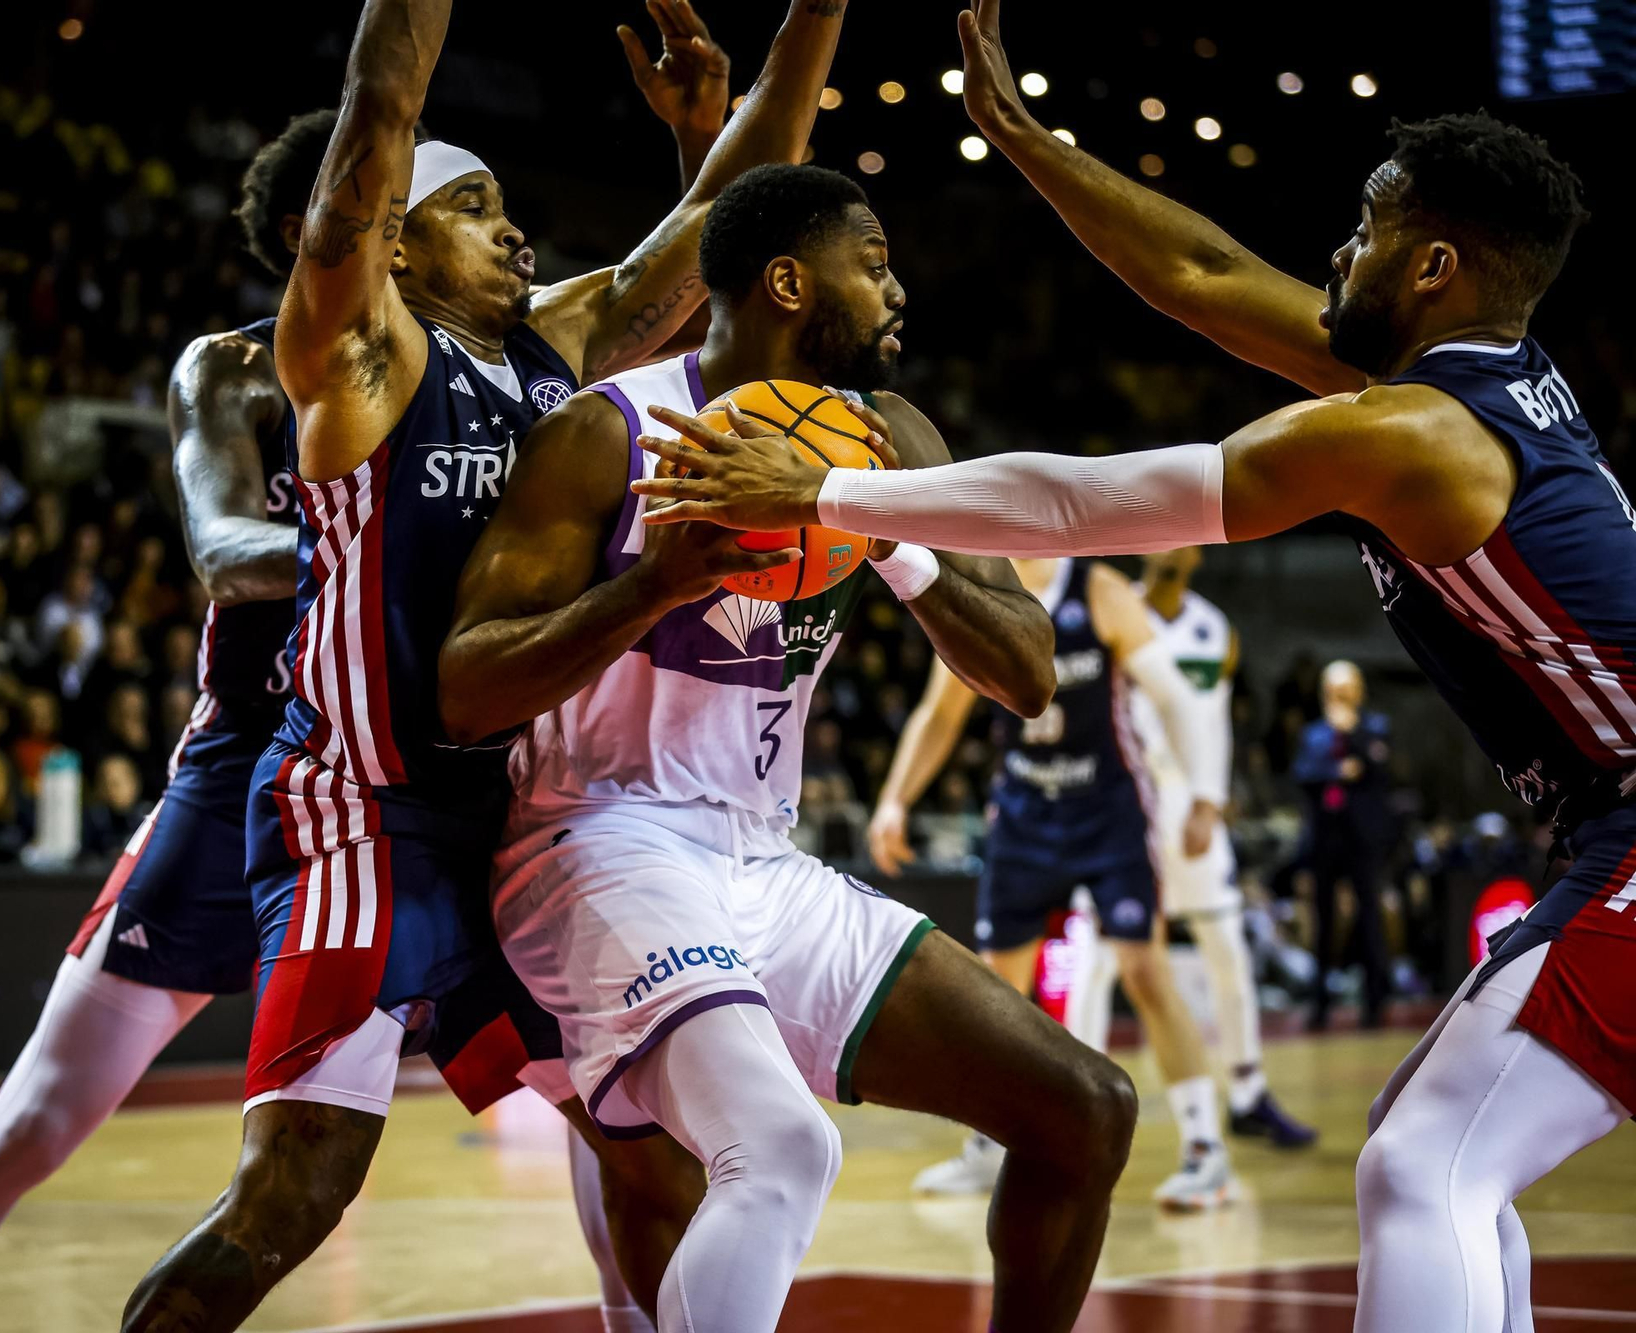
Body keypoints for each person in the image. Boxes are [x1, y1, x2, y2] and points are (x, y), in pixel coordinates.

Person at [629, 5, 1628, 1328]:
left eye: (1372, 225)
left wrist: (827, 494)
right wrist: (1029, 141)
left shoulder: (1420, 436)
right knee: (1438, 1155)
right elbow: (1206, 276)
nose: (1341, 245)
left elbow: (1081, 506)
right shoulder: (1462, 378)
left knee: (1421, 1166)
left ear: (1436, 263)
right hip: (1604, 830)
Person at [120, 2, 853, 1329]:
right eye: (480, 205)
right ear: (395, 230)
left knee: (655, 1137)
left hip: (512, 823)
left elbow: (742, 206)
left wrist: (813, 17)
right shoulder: (354, 349)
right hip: (365, 813)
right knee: (294, 1195)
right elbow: (376, 117)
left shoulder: (553, 350)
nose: (519, 229)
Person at [444, 161, 1138, 1333]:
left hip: (756, 858)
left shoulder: (888, 437)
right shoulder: (604, 432)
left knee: (1085, 1104)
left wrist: (869, 523)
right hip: (593, 842)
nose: (896, 290)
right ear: (785, 282)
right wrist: (647, 587)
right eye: (871, 266)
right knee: (775, 1149)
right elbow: (466, 689)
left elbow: (1020, 671)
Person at [871, 555, 1238, 1210]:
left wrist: (1206, 796)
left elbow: (1178, 698)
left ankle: (1206, 1149)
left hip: (1108, 810)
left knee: (1145, 970)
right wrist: (895, 798)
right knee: (995, 989)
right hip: (1023, 811)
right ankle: (988, 1143)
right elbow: (940, 711)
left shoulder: (1096, 589)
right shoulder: (985, 593)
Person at [1039, 545, 1316, 1146]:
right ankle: (1076, 1095)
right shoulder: (1110, 606)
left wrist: (1210, 798)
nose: (1166, 543)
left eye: (1179, 534)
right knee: (1097, 955)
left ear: (1195, 551)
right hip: (1122, 806)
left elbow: (1212, 721)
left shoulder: (1215, 629)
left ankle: (1246, 1092)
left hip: (1191, 809)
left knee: (1228, 950)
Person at [1293, 659, 1395, 1030]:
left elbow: (1378, 768)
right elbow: (1304, 774)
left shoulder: (1374, 727)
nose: (1339, 696)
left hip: (1362, 838)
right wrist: (1339, 770)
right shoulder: (1314, 734)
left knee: (1369, 916)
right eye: (1333, 689)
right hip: (1325, 838)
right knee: (1323, 919)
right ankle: (1319, 1002)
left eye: (1346, 688)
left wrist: (1350, 735)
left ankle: (1374, 1002)